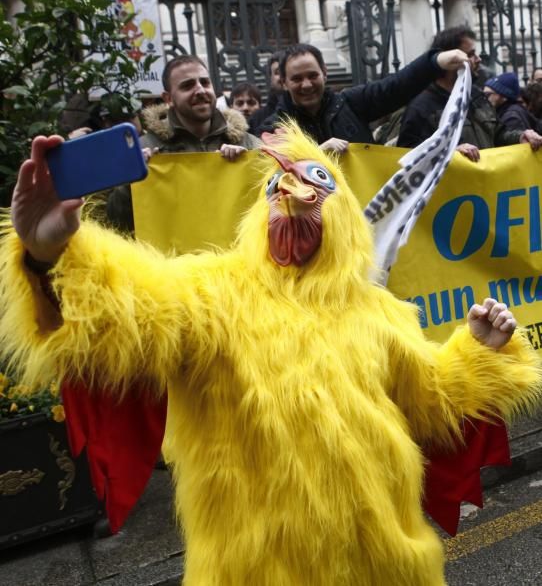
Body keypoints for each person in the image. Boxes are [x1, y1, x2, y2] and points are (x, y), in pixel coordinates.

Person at [1, 125, 540, 585]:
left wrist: (480, 351)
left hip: (386, 563)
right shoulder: (211, 293)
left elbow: (432, 404)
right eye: (279, 184)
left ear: (346, 217)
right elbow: (119, 321)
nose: (292, 189)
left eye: (318, 181)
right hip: (254, 569)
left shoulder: (381, 312)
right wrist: (52, 255)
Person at [106, 55, 260, 232]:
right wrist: (130, 181)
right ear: (168, 98)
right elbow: (114, 222)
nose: (200, 90)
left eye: (205, 82)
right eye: (188, 86)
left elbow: (276, 203)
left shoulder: (247, 143)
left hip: (237, 257)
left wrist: (250, 167)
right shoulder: (140, 149)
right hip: (169, 257)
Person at [256, 41, 470, 153]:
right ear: (283, 82)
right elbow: (279, 170)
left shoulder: (350, 103)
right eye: (297, 79)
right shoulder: (273, 127)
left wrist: (435, 62)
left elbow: (394, 87)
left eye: (313, 75)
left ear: (325, 73)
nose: (306, 85)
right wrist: (318, 155)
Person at [397, 26, 542, 161]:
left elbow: (498, 135)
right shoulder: (421, 106)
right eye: (471, 54)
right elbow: (406, 155)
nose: (478, 59)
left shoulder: (477, 96)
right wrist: (450, 153)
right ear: (449, 60)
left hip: (485, 186)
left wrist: (520, 137)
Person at [248, 51, 285, 134]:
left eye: (286, 71)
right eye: (277, 72)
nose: (282, 76)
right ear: (270, 79)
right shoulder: (257, 119)